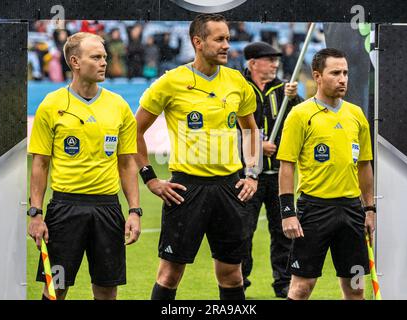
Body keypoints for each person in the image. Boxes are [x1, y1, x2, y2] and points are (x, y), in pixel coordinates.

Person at [135, 13, 260, 300]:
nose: (227, 45)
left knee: (232, 274)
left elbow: (251, 130)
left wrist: (251, 173)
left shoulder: (237, 81)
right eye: (219, 39)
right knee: (169, 273)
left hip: (230, 188)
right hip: (186, 189)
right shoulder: (171, 82)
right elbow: (134, 131)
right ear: (198, 42)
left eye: (228, 38)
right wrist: (151, 179)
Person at [28, 32, 141, 300]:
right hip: (65, 209)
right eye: (96, 57)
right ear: (75, 62)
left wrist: (134, 210)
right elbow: (40, 164)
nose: (104, 62)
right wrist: (36, 213)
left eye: (104, 56)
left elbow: (126, 163)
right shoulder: (51, 105)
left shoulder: (119, 106)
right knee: (56, 288)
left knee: (106, 290)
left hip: (108, 209)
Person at [276, 48, 375, 300]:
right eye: (335, 73)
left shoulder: (356, 115)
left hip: (352, 211)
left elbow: (364, 165)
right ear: (318, 76)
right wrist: (288, 213)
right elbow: (287, 165)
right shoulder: (300, 115)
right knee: (301, 288)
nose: (342, 78)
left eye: (345, 73)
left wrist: (370, 209)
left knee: (356, 289)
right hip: (314, 210)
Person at [240, 41, 303, 298]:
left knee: (283, 232)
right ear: (253, 63)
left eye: (276, 59)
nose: (275, 63)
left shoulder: (283, 90)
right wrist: (256, 146)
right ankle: (239, 280)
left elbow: (300, 119)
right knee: (243, 232)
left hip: (279, 175)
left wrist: (295, 99)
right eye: (269, 59)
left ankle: (283, 283)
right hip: (247, 176)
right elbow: (229, 129)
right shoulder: (238, 88)